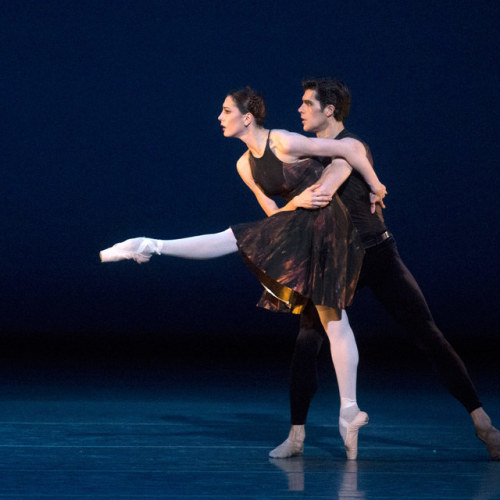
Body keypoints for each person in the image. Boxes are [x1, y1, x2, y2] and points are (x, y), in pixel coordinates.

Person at [100, 86, 387, 459]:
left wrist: (376, 184)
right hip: (300, 224)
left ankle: (150, 245)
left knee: (251, 249)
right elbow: (273, 215)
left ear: (246, 117)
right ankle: (349, 410)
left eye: (225, 111)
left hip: (331, 225)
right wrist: (296, 205)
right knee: (329, 313)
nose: (219, 118)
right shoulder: (244, 166)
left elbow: (350, 150)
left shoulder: (283, 142)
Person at [268, 77, 500, 461]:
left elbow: (328, 183)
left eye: (307, 103)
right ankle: (296, 437)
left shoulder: (351, 146)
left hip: (378, 255)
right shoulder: (314, 156)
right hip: (337, 262)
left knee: (428, 334)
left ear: (329, 110)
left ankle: (484, 425)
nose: (299, 109)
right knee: (306, 343)